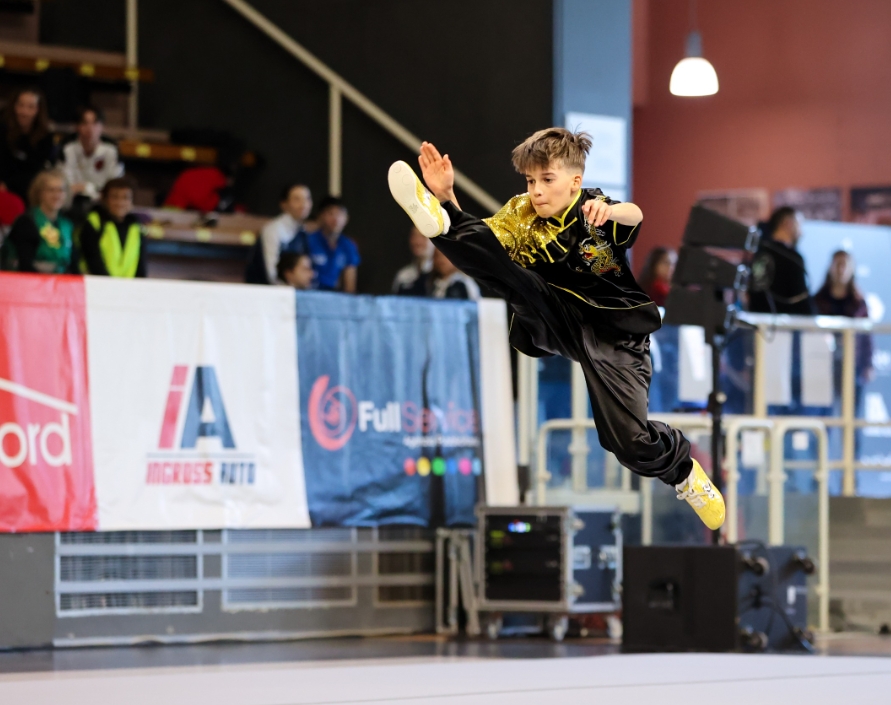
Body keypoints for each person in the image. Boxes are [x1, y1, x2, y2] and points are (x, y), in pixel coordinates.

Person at [387, 129, 724, 530]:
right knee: (513, 278)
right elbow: (485, 249)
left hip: (616, 335)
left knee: (628, 442)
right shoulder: (520, 212)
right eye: (531, 181)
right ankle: (441, 221)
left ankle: (684, 474)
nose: (537, 191)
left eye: (547, 180)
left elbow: (635, 215)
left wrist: (611, 211)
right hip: (557, 317)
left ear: (574, 182)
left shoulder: (592, 207)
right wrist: (448, 200)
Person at [814, 250, 874, 398]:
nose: (841, 269)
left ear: (851, 269)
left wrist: (868, 364)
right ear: (831, 267)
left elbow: (867, 336)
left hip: (853, 366)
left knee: (852, 414)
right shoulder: (818, 300)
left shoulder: (859, 303)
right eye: (838, 264)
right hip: (823, 365)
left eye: (845, 265)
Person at [1, 169, 74, 273]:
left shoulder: (67, 225)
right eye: (51, 190)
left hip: (60, 284)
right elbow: (25, 264)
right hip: (28, 283)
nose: (56, 195)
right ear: (39, 193)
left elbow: (72, 264)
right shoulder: (26, 222)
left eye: (61, 190)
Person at [748, 206, 815, 315]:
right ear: (788, 223)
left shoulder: (758, 254)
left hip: (758, 325)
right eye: (799, 225)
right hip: (785, 328)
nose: (801, 233)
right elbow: (802, 301)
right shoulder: (793, 257)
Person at [77, 176, 147, 278]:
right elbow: (92, 259)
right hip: (97, 285)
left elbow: (141, 266)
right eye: (115, 197)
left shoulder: (136, 226)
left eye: (126, 198)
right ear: (105, 199)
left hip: (128, 289)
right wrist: (110, 286)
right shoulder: (94, 222)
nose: (120, 203)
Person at [246, 183, 312, 285]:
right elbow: (271, 273)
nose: (303, 204)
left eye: (307, 199)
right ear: (284, 204)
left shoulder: (302, 231)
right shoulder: (273, 230)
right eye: (297, 199)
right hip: (266, 291)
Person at [0, 87, 58, 203]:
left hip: (27, 191)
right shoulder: (3, 128)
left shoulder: (46, 137)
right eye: (20, 106)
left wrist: (8, 185)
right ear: (14, 106)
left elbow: (37, 172)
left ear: (38, 110)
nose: (24, 112)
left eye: (30, 107)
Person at [60, 106, 123, 204]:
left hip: (103, 202)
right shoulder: (67, 149)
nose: (90, 128)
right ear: (77, 127)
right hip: (73, 203)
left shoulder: (112, 151)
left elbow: (114, 186)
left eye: (95, 123)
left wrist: (86, 188)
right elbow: (65, 185)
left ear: (102, 126)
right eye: (85, 123)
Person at [307, 196, 360, 293]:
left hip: (335, 297)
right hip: (311, 294)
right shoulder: (308, 240)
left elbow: (350, 286)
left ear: (346, 218)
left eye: (340, 214)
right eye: (330, 213)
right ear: (321, 216)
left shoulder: (348, 246)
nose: (336, 219)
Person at [399, 248, 480, 300]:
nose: (441, 260)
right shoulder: (427, 282)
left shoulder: (465, 284)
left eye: (446, 256)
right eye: (437, 256)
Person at [392, 226, 434, 294]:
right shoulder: (403, 276)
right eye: (414, 236)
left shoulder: (443, 277)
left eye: (423, 236)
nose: (417, 242)